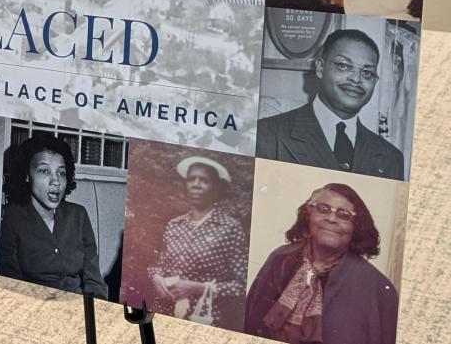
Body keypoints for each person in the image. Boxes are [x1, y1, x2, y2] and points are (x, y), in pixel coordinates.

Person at [245, 183, 398, 344]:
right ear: (308, 214)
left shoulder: (377, 288)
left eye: (344, 215)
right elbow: (249, 320)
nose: (331, 219)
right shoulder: (280, 258)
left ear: (357, 226)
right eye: (323, 209)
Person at [257, 29, 404, 180]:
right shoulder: (265, 135)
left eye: (367, 73)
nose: (356, 79)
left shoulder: (391, 158)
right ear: (320, 68)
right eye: (343, 66)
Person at [0, 133, 107, 298]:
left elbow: (94, 281)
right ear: (26, 175)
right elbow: (11, 285)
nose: (56, 181)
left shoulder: (79, 215)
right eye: (44, 171)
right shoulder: (12, 218)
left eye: (61, 173)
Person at [146, 156, 248, 328]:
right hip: (164, 309)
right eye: (191, 179)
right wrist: (156, 277)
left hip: (202, 316)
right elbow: (159, 265)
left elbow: (241, 285)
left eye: (204, 180)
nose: (196, 184)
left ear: (217, 188)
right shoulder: (175, 224)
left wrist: (198, 287)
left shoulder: (230, 227)